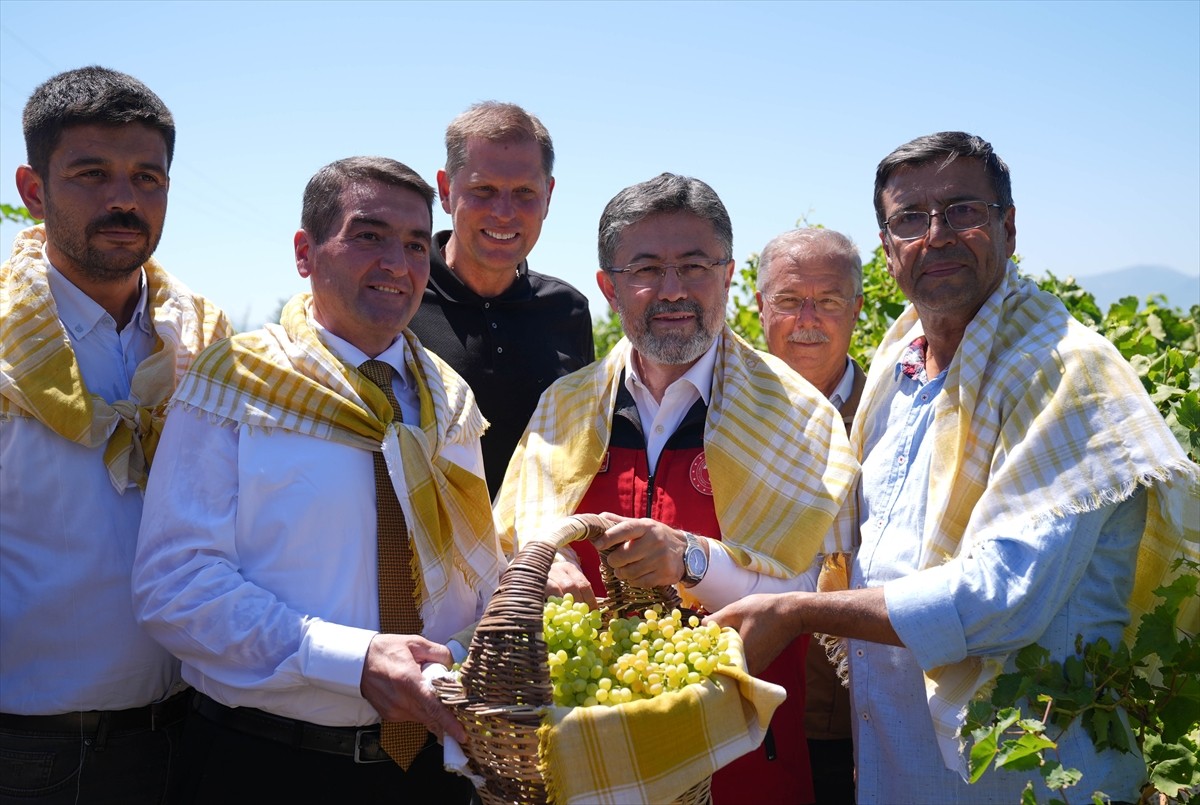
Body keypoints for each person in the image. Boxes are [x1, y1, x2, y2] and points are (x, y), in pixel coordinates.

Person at [711, 132, 1199, 804]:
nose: (935, 235)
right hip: (901, 768)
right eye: (910, 219)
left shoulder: (1065, 374)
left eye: (962, 210)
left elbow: (1003, 598)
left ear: (1009, 225)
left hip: (1024, 777)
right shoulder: (901, 361)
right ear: (888, 250)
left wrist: (796, 611)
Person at [131, 157, 507, 802]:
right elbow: (175, 584)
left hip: (430, 772)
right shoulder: (235, 384)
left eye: (417, 243)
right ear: (305, 253)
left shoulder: (449, 400)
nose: (398, 261)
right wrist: (351, 660)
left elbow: (480, 577)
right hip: (263, 766)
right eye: (369, 235)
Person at [496, 173, 859, 805]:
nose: (672, 291)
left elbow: (803, 590)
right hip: (587, 761)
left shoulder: (797, 414)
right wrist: (541, 559)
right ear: (609, 287)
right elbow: (503, 545)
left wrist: (691, 559)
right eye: (646, 269)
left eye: (694, 266)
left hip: (746, 762)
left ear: (728, 275)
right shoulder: (565, 408)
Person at [0, 66, 230, 803]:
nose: (124, 199)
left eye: (147, 177)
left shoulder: (203, 342)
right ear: (33, 189)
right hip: (28, 751)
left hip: (187, 738)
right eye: (92, 173)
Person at [408, 101, 594, 498]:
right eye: (483, 190)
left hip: (538, 557)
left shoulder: (568, 310)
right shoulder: (399, 304)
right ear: (444, 190)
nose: (504, 212)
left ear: (549, 196)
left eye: (525, 192)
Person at [755, 227, 864, 804]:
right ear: (758, 307)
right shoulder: (719, 413)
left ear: (858, 308)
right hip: (753, 689)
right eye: (789, 300)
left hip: (864, 704)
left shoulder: (897, 415)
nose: (808, 319)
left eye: (828, 301)